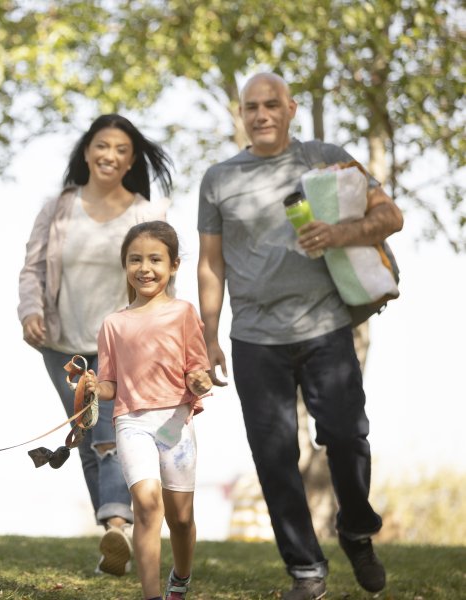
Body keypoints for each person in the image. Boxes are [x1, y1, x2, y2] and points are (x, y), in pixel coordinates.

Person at [197, 72, 404, 600]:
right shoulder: (218, 179)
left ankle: (355, 528)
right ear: (241, 114)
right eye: (251, 107)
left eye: (272, 104)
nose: (262, 114)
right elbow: (210, 263)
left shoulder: (324, 158)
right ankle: (306, 570)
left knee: (347, 436)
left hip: (325, 326)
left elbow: (391, 215)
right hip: (254, 337)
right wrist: (209, 335)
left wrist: (339, 233)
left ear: (290, 109)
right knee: (273, 457)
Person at [18, 114, 173, 575]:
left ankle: (117, 523)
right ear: (87, 151)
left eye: (122, 150)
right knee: (85, 437)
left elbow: (163, 277)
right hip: (61, 345)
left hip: (121, 343)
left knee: (110, 433)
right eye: (102, 146)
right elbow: (32, 268)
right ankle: (112, 534)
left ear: (132, 160)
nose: (110, 155)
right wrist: (30, 311)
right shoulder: (58, 208)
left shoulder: (144, 214)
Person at [86, 221, 213, 600]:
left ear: (173, 265)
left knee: (181, 518)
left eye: (155, 259)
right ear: (125, 265)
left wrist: (199, 382)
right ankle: (152, 596)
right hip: (131, 423)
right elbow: (109, 386)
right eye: (135, 259)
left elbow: (197, 370)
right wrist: (93, 387)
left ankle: (181, 578)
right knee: (145, 505)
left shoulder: (184, 313)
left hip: (175, 422)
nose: (145, 268)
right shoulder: (113, 324)